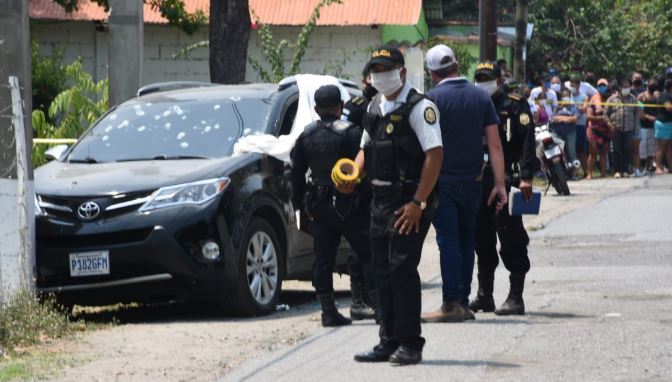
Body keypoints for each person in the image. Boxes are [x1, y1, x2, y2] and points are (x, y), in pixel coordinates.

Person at [348, 45, 443, 365]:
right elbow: (365, 148)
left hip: (409, 202)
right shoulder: (374, 106)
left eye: (387, 70)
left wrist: (419, 201)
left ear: (402, 72)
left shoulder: (420, 107)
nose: (381, 76)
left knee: (402, 269)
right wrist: (353, 172)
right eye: (375, 71)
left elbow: (435, 155)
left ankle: (411, 343)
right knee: (381, 271)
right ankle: (387, 341)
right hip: (380, 201)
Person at [420, 47, 506, 324]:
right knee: (468, 239)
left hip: (442, 183)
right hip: (475, 182)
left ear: (432, 74)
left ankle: (450, 303)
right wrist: (500, 184)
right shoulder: (481, 96)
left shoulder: (431, 99)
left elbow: (425, 148)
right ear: (457, 65)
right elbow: (494, 144)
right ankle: (463, 300)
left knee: (449, 242)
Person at [290, 85, 374, 327]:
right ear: (340, 107)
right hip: (350, 202)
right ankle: (377, 305)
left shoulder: (305, 136)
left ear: (316, 110)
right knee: (366, 252)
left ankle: (328, 311)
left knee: (323, 257)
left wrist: (299, 205)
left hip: (318, 203)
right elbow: (365, 166)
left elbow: (296, 175)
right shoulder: (352, 132)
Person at [469, 61, 535, 316]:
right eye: (479, 77)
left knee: (511, 236)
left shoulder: (514, 104)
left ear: (499, 80)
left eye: (487, 77)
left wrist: (527, 176)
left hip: (507, 177)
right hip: (480, 178)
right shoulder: (474, 104)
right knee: (481, 236)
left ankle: (515, 297)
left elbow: (528, 140)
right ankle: (485, 295)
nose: (483, 82)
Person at [341, 66, 378, 321]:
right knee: (359, 246)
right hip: (358, 183)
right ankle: (359, 300)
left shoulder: (389, 104)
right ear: (364, 79)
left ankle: (373, 298)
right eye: (372, 75)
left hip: (380, 184)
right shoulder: (356, 106)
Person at [606, 79, 640, 178]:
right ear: (620, 88)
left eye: (628, 86)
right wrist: (610, 124)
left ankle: (625, 170)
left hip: (629, 129)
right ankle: (617, 171)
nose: (627, 89)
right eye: (625, 87)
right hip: (616, 129)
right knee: (616, 150)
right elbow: (605, 114)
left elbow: (636, 114)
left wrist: (636, 128)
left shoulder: (633, 99)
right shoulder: (612, 99)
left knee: (627, 150)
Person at [586, 78, 614, 179]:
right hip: (594, 129)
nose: (602, 87)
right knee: (593, 152)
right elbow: (588, 116)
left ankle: (603, 173)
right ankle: (589, 173)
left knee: (603, 153)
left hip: (606, 130)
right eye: (600, 85)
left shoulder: (610, 98)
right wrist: (601, 117)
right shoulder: (594, 99)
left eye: (604, 85)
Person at [553, 88, 579, 178]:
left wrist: (561, 118)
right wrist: (566, 118)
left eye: (567, 96)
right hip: (558, 134)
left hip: (570, 133)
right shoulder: (558, 107)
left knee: (572, 153)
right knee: (560, 154)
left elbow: (574, 119)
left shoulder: (573, 107)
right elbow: (553, 119)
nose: (565, 97)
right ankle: (562, 175)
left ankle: (574, 174)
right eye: (563, 96)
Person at [568, 74, 590, 178]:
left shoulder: (583, 97)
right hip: (569, 125)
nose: (572, 87)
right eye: (571, 85)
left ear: (578, 85)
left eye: (574, 85)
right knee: (572, 150)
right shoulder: (567, 96)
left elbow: (584, 109)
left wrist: (578, 106)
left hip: (580, 125)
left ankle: (587, 172)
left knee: (581, 150)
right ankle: (573, 173)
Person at [638, 79, 659, 173]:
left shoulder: (656, 97)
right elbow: (639, 112)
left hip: (653, 126)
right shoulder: (642, 96)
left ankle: (648, 166)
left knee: (651, 149)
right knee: (642, 149)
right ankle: (640, 167)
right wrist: (648, 117)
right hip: (642, 126)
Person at [655, 79, 672, 174]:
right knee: (661, 147)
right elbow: (668, 107)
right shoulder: (664, 95)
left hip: (669, 124)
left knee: (669, 147)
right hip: (663, 124)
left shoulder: (670, 95)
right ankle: (658, 167)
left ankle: (670, 167)